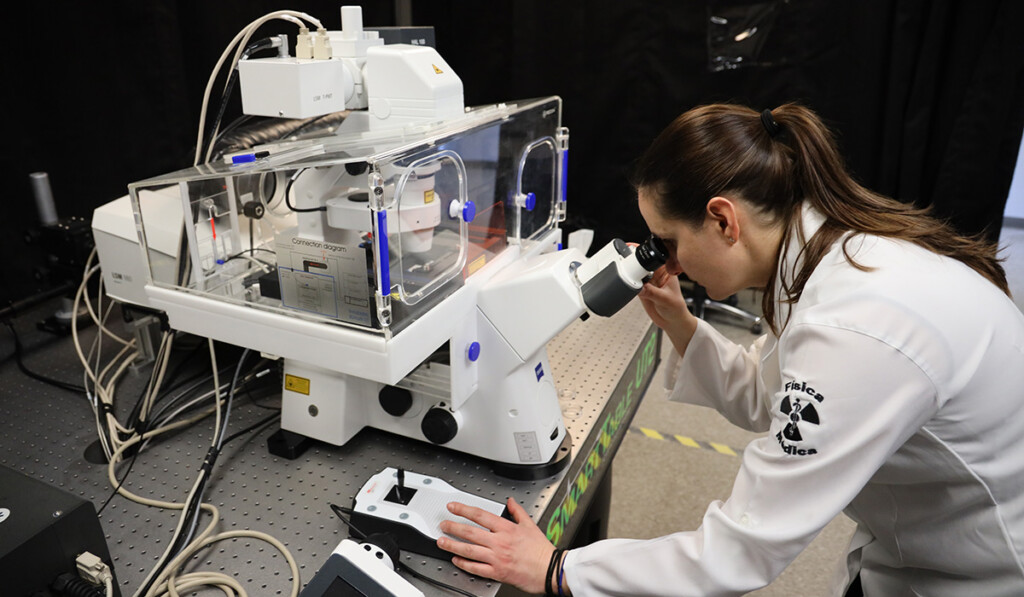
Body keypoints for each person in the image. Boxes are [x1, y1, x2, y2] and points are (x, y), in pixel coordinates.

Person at [435, 103, 1024, 596]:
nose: (664, 259)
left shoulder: (859, 327)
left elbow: (743, 550)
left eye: (668, 241)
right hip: (912, 542)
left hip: (979, 570)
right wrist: (681, 323)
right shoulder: (829, 255)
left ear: (723, 219)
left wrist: (559, 570)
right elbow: (774, 399)